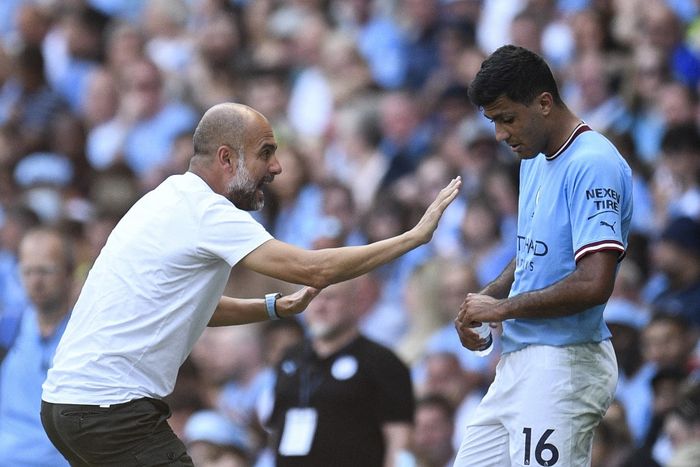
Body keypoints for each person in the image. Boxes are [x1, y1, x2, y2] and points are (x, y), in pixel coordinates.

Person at [40, 102, 460, 466]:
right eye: (266, 153)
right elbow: (314, 269)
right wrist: (412, 237)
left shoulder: (166, 198)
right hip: (109, 411)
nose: (276, 167)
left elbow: (195, 309)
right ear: (226, 159)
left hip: (65, 407)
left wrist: (274, 307)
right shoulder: (209, 213)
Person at [454, 45, 633, 466]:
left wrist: (502, 309)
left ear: (544, 103)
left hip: (564, 364)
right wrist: (485, 299)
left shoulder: (593, 162)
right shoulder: (532, 158)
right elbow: (532, 253)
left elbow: (594, 282)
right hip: (519, 361)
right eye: (494, 121)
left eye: (506, 118)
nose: (500, 134)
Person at [267, 279, 415, 467]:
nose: (320, 306)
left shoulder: (383, 362)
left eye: (330, 298)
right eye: (312, 298)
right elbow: (275, 429)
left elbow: (400, 440)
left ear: (356, 302)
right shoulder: (290, 358)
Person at [0, 227, 74, 466]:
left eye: (45, 271)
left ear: (69, 273)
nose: (36, 281)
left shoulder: (83, 334)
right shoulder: (9, 327)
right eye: (28, 272)